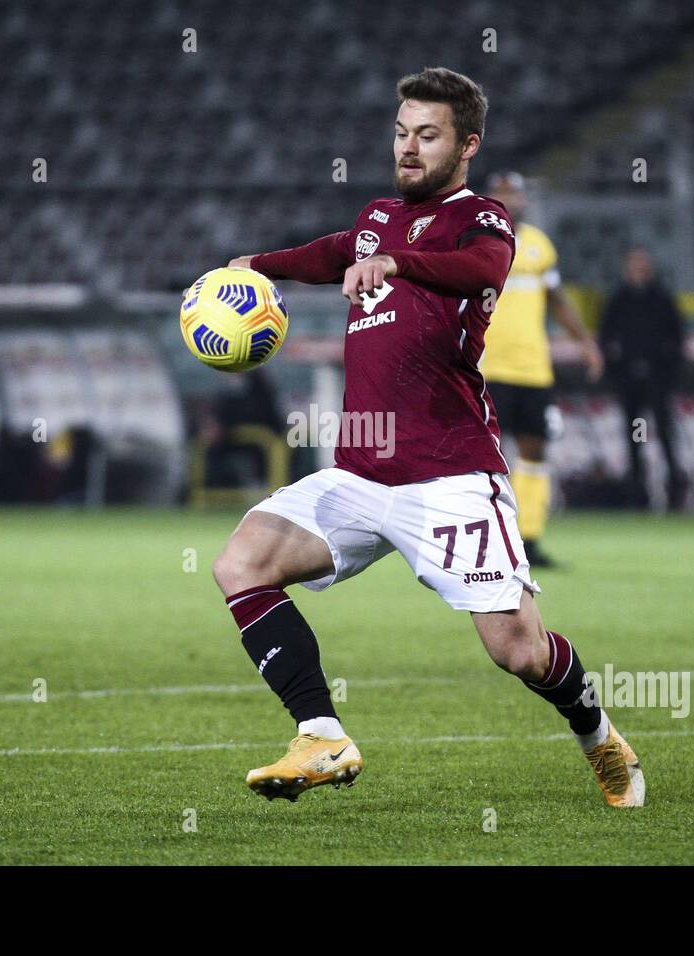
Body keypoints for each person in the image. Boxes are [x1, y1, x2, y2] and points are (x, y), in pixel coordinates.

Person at [218, 67, 644, 807]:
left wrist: (396, 263)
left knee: (517, 649)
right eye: (401, 132)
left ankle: (598, 736)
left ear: (467, 144)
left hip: (448, 473)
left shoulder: (483, 221)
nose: (408, 148)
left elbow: (480, 267)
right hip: (359, 472)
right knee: (241, 562)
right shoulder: (379, 216)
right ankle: (321, 735)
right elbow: (333, 251)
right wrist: (256, 265)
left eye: (428, 135)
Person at [480, 171, 602, 567]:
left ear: (524, 200)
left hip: (534, 368)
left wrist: (584, 342)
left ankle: (528, 541)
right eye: (500, 192)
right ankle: (486, 539)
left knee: (534, 451)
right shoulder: (474, 242)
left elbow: (557, 299)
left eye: (513, 193)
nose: (508, 199)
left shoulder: (538, 247)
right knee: (485, 457)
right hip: (486, 367)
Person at [598, 247, 687, 508]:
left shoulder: (661, 298)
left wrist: (669, 373)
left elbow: (677, 339)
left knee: (665, 433)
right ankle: (637, 492)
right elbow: (606, 339)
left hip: (657, 381)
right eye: (633, 263)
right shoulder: (618, 300)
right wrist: (617, 373)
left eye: (642, 263)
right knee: (636, 435)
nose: (638, 268)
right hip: (630, 383)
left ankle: (674, 492)